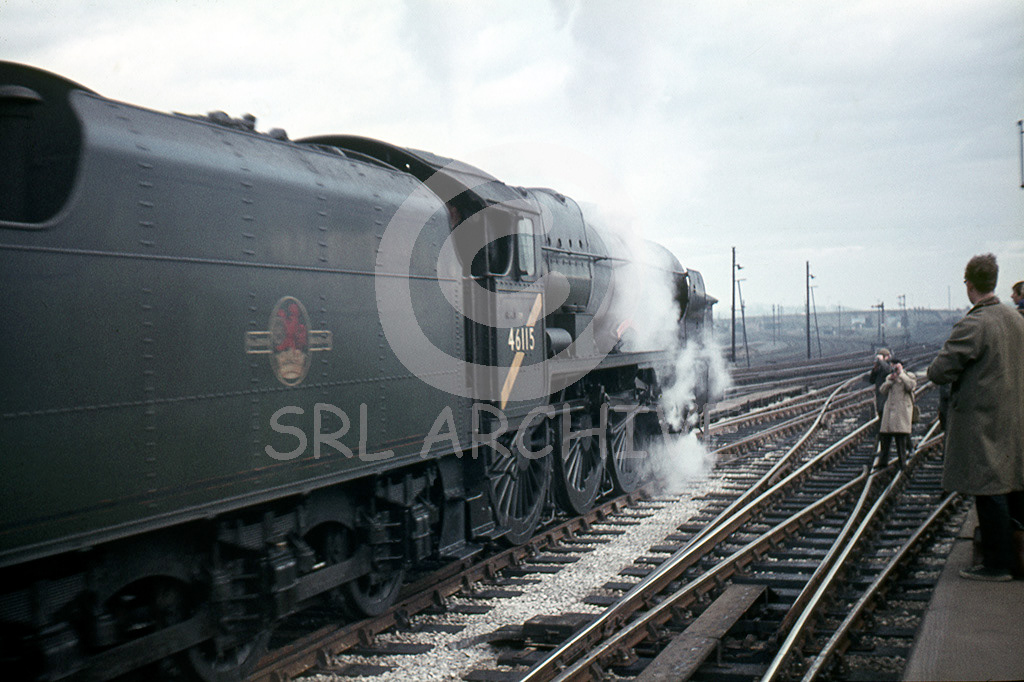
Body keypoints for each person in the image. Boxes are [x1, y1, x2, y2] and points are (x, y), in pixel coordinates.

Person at [928, 254, 1024, 581]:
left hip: (984, 421)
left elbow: (938, 371)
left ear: (969, 284)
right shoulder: (1017, 320)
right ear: (993, 282)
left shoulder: (974, 324)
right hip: (1014, 417)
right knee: (1013, 485)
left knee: (988, 488)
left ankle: (997, 565)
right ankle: (1016, 555)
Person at [876, 358, 915, 470]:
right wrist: (890, 381)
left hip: (901, 414)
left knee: (900, 441)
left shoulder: (909, 376)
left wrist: (901, 374)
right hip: (889, 413)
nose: (893, 368)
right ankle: (882, 463)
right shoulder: (890, 378)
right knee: (885, 440)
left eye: (895, 366)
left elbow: (911, 386)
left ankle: (902, 463)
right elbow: (882, 390)